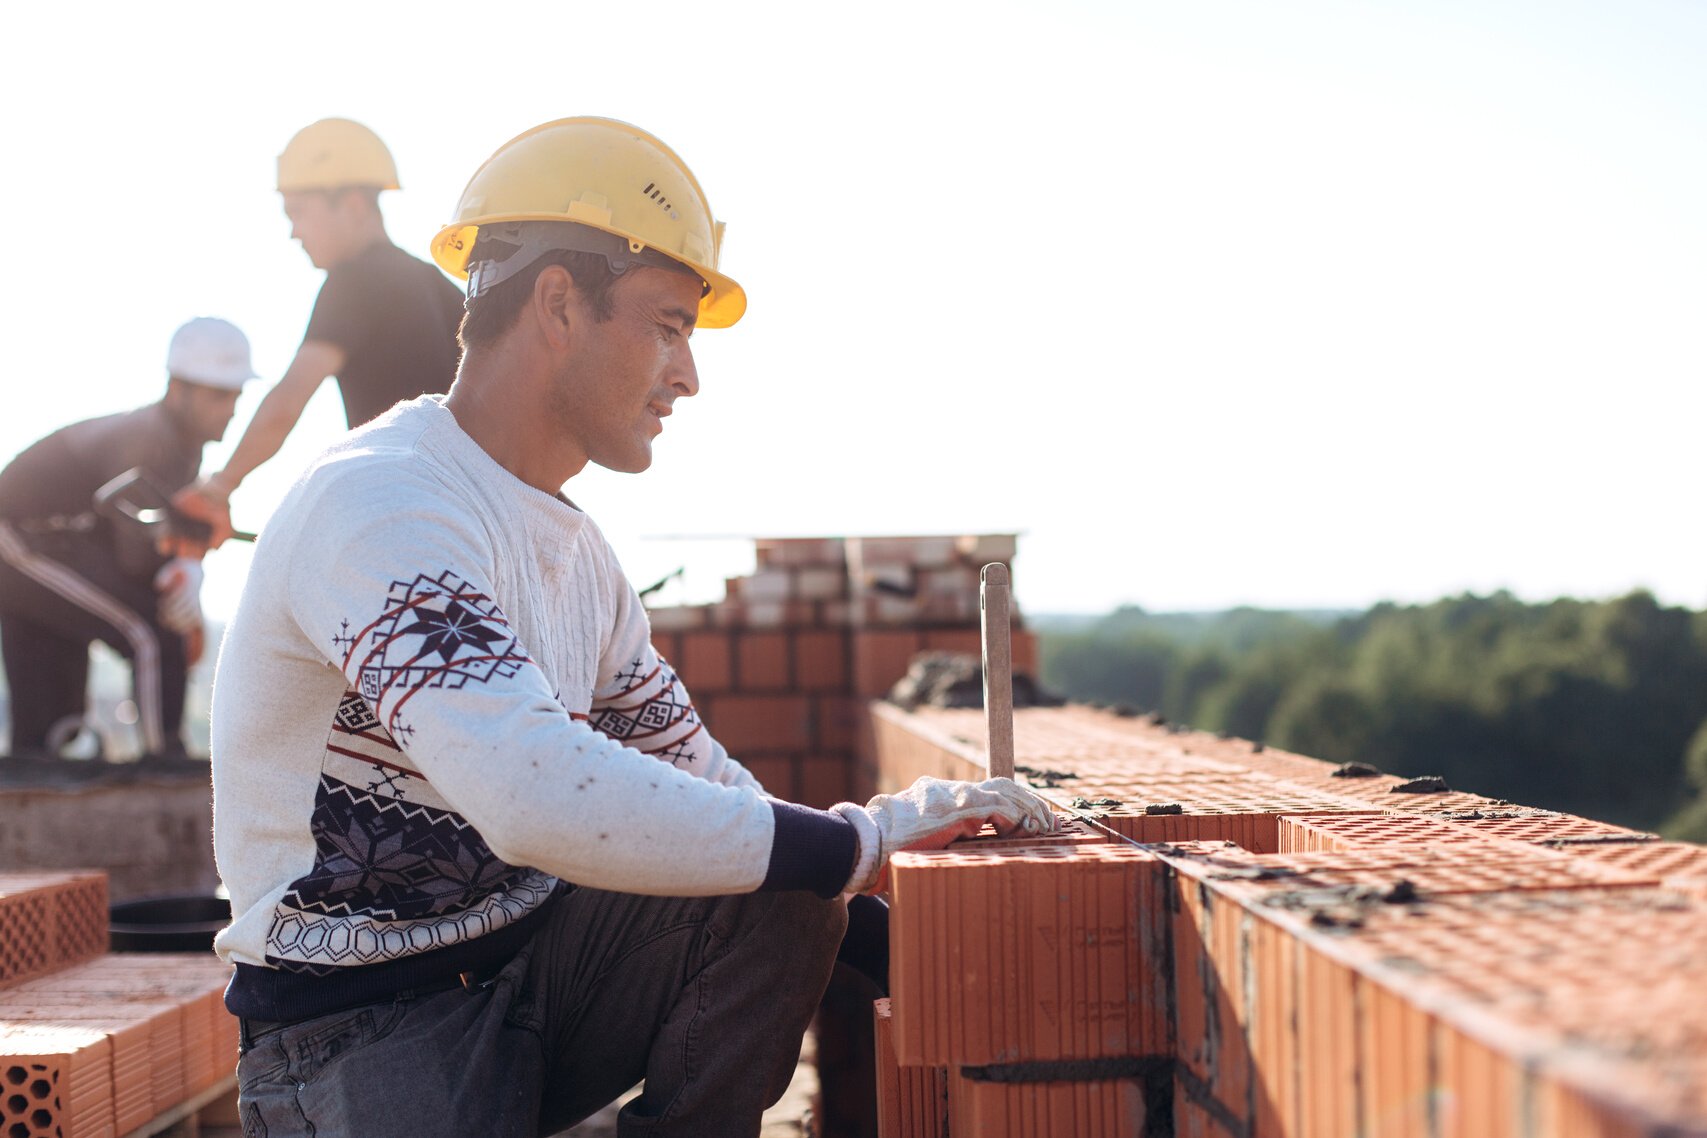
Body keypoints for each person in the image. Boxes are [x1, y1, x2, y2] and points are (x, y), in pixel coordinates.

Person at [211, 117, 1057, 1138]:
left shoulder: (580, 559)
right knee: (803, 861)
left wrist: (891, 923)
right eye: (667, 324)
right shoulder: (385, 505)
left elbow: (708, 794)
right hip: (359, 1033)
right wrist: (859, 840)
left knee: (783, 887)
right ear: (560, 302)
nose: (688, 375)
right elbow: (529, 790)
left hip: (529, 977)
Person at [173, 118, 464, 541]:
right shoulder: (436, 285)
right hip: (475, 512)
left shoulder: (353, 281)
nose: (294, 233)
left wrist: (217, 488)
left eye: (299, 213)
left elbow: (286, 405)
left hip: (410, 514)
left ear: (353, 204)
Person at [0, 317, 254, 766]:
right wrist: (184, 574)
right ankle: (166, 762)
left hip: (63, 544)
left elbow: (148, 542)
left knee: (44, 734)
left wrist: (185, 566)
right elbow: (137, 556)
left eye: (235, 396)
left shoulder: (183, 447)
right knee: (150, 634)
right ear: (178, 390)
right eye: (219, 396)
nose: (231, 409)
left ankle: (39, 766)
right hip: (19, 540)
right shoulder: (147, 439)